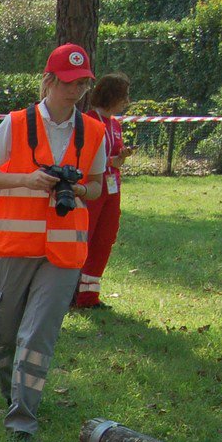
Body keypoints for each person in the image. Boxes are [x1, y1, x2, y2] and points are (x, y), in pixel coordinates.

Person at [0, 43, 107, 442]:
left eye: (82, 83)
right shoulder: (14, 124)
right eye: (67, 82)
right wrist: (27, 180)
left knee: (38, 336)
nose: (75, 90)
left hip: (64, 254)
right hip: (14, 247)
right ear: (48, 80)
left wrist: (79, 188)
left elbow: (98, 186)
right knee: (7, 334)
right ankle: (9, 391)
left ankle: (23, 418)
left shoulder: (95, 131)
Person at [75, 73, 131, 310]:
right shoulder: (88, 121)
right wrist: (110, 162)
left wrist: (122, 157)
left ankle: (90, 296)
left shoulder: (115, 124)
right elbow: (84, 158)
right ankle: (72, 292)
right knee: (84, 238)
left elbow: (113, 154)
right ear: (111, 96)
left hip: (113, 189)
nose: (126, 102)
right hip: (93, 188)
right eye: (123, 96)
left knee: (105, 239)